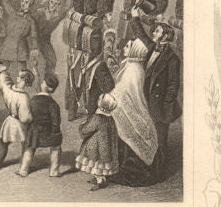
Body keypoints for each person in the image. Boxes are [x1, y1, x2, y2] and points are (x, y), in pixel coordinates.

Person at [107, 39, 165, 187]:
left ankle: (131, 171)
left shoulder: (133, 69)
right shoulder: (133, 65)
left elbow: (124, 90)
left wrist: (110, 97)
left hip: (128, 107)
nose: (124, 47)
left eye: (127, 46)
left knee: (129, 135)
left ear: (134, 51)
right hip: (130, 106)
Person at [130, 13, 182, 157]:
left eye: (157, 31)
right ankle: (147, 165)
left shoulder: (172, 58)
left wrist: (166, 104)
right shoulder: (152, 47)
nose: (153, 32)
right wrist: (135, 17)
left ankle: (159, 169)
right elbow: (141, 34)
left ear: (165, 36)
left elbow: (173, 85)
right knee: (146, 134)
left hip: (160, 104)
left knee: (160, 138)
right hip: (146, 98)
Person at [0, 64, 33, 175]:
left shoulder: (9, 90)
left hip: (9, 122)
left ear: (23, 80)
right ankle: (24, 165)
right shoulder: (24, 97)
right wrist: (31, 119)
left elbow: (4, 83)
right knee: (26, 144)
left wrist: (3, 72)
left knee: (3, 142)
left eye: (19, 76)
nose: (17, 78)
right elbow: (25, 117)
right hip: (20, 124)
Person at [77, 93, 120, 191]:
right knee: (100, 165)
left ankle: (100, 182)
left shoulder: (98, 117)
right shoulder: (110, 118)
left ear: (103, 104)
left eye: (100, 99)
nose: (98, 100)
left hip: (97, 147)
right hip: (106, 147)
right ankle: (98, 179)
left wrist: (82, 126)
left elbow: (87, 130)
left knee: (96, 165)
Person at [27, 73, 64, 177]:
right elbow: (56, 122)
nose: (42, 83)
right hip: (47, 134)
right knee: (56, 147)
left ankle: (23, 169)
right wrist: (56, 133)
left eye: (43, 81)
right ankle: (54, 171)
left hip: (33, 133)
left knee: (29, 148)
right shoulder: (53, 104)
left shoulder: (32, 100)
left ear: (45, 86)